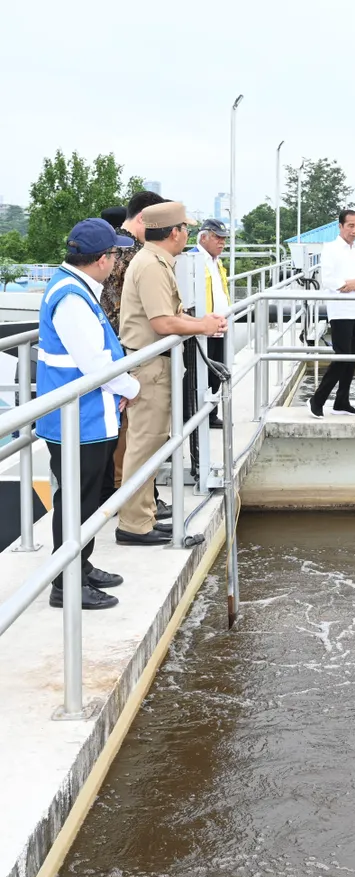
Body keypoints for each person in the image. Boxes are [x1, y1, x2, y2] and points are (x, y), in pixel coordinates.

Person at [35, 219, 140, 610]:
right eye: (114, 253)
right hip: (78, 419)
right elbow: (94, 363)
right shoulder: (73, 299)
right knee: (77, 501)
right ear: (101, 259)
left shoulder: (74, 287)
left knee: (88, 498)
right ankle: (67, 582)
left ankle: (81, 563)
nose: (116, 260)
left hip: (86, 415)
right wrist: (130, 387)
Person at [116, 202, 228, 545]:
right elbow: (162, 322)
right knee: (144, 444)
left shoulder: (157, 261)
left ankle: (144, 516)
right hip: (148, 367)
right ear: (174, 232)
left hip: (154, 364)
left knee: (152, 444)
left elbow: (171, 313)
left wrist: (198, 323)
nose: (187, 235)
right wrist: (202, 326)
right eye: (186, 229)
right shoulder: (151, 265)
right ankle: (134, 525)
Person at [100, 191, 168, 514]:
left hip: (115, 345)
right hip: (125, 348)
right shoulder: (132, 251)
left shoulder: (116, 246)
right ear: (143, 218)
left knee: (125, 428)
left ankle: (130, 497)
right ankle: (133, 500)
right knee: (132, 431)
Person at [307, 209, 355, 419]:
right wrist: (354, 283)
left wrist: (353, 284)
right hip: (340, 310)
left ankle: (342, 401)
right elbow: (330, 281)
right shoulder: (331, 249)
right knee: (342, 357)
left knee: (352, 358)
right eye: (351, 226)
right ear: (341, 226)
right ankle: (317, 399)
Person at [190, 218, 231, 428]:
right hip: (201, 329)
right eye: (217, 237)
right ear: (203, 237)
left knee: (216, 373)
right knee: (200, 375)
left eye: (224, 238)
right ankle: (199, 416)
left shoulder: (217, 261)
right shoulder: (192, 259)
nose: (221, 242)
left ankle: (211, 414)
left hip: (219, 326)